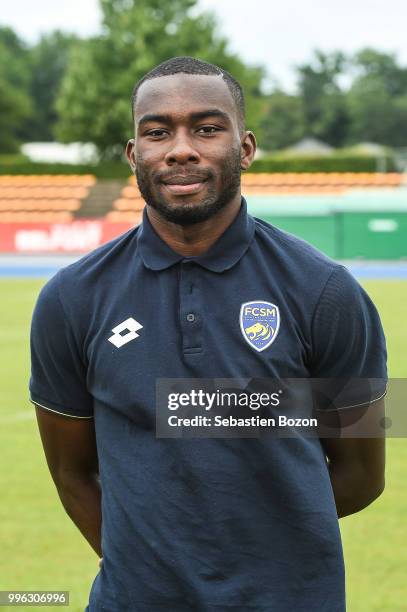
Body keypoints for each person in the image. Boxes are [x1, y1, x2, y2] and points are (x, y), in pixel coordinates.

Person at [30, 57, 387, 612]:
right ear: (133, 155)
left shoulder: (326, 292)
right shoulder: (71, 298)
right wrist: (149, 561)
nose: (180, 149)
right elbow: (71, 470)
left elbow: (362, 476)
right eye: (156, 132)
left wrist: (253, 552)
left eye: (206, 128)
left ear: (244, 148)